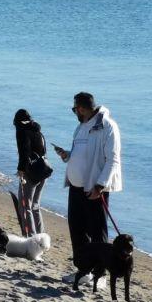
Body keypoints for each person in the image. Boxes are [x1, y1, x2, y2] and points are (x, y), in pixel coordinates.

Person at [53, 92, 122, 271]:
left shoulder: (107, 126)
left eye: (74, 108)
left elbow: (113, 160)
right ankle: (83, 271)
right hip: (75, 187)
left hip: (94, 189)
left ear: (82, 108)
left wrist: (99, 186)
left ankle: (100, 275)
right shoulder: (81, 126)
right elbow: (82, 153)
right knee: (77, 231)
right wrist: (67, 155)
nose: (74, 112)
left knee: (97, 233)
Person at [14, 109, 48, 235]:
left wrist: (21, 170)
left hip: (31, 172)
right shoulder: (37, 130)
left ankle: (31, 237)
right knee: (35, 205)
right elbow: (42, 151)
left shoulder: (22, 131)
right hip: (44, 170)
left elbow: (25, 151)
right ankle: (41, 236)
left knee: (24, 205)